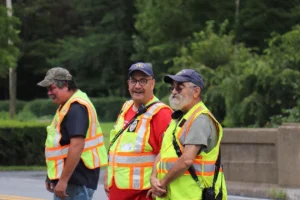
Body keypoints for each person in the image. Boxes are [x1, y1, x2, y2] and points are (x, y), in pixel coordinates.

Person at [149, 69, 227, 200]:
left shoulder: (200, 119)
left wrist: (161, 184)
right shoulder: (178, 119)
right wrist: (153, 177)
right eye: (172, 88)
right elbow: (164, 152)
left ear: (196, 91)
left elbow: (186, 160)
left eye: (179, 88)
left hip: (193, 196)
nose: (174, 92)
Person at [105, 62, 173, 200]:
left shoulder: (161, 113)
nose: (137, 86)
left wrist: (160, 184)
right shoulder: (127, 106)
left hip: (142, 195)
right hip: (117, 191)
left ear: (152, 84)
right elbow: (116, 146)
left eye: (143, 81)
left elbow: (168, 154)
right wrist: (108, 176)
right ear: (128, 83)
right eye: (133, 81)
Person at [37, 67, 108, 200]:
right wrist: (52, 176)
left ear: (65, 85)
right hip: (73, 180)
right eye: (48, 89)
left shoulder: (76, 108)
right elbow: (61, 146)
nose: (49, 93)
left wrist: (63, 181)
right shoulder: (68, 105)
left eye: (52, 88)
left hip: (75, 182)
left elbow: (77, 146)